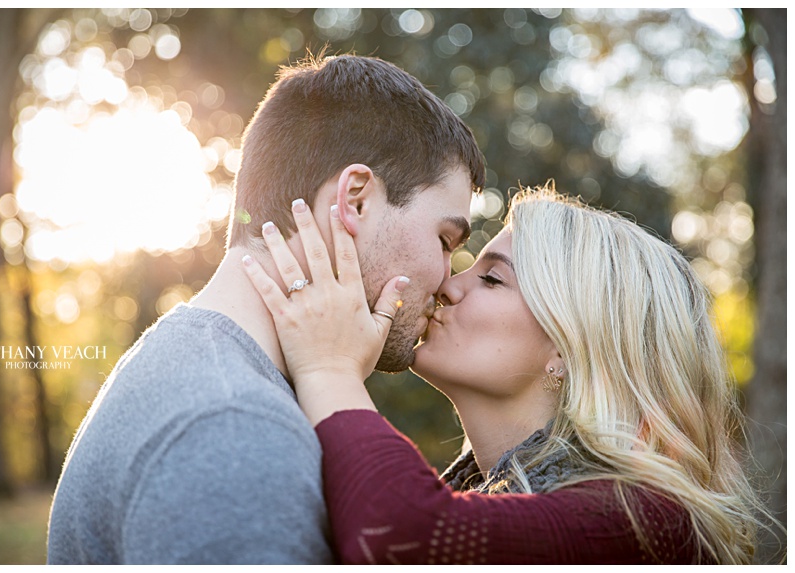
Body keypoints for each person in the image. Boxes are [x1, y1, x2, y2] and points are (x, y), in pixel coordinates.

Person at [46, 54, 485, 564]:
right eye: (445, 239)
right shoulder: (234, 432)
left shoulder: (192, 362)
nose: (449, 280)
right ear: (356, 201)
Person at [242, 183, 776, 565]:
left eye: (493, 279)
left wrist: (330, 367)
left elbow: (401, 538)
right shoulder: (483, 494)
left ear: (572, 347)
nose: (449, 284)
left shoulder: (648, 524)